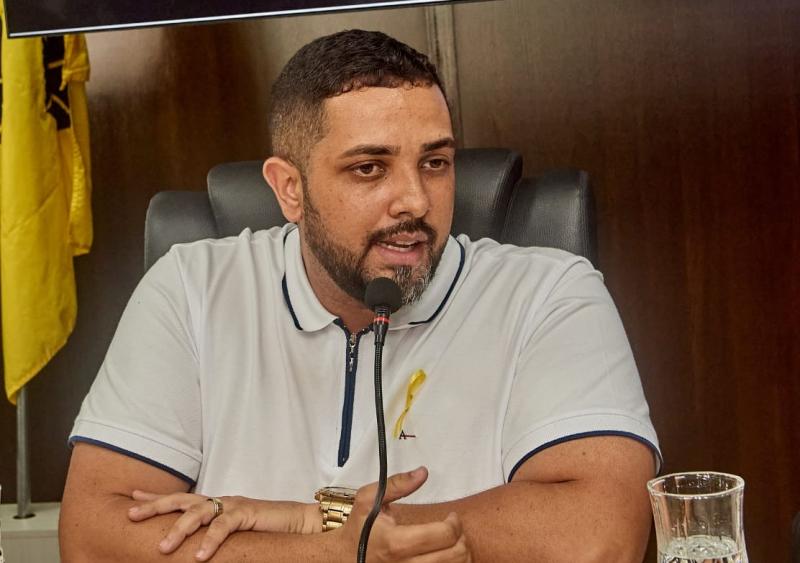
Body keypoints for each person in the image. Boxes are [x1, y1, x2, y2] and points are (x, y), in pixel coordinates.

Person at [59, 29, 660, 562]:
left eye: (435, 162)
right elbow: (92, 538)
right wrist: (329, 553)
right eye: (370, 168)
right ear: (289, 189)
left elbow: (600, 536)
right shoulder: (192, 287)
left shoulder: (549, 293)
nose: (415, 201)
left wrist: (318, 521)